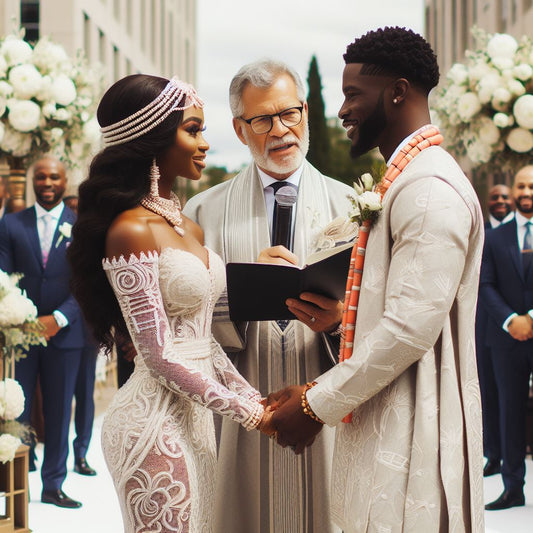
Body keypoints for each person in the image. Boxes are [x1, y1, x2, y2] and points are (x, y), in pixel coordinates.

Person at [266, 27, 485, 532]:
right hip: (386, 417)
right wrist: (340, 319)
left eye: (352, 95)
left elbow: (410, 329)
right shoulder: (406, 179)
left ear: (398, 91)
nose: (342, 111)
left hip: (415, 433)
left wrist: (312, 403)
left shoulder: (429, 188)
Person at [67, 74, 275, 532]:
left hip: (197, 423)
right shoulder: (131, 230)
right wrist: (253, 414)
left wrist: (253, 397)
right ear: (153, 139)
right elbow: (159, 356)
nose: (204, 143)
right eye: (193, 129)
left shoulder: (190, 228)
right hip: (151, 423)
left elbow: (202, 342)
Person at [183, 58, 354, 533]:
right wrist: (237, 296)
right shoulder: (204, 211)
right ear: (240, 129)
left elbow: (383, 321)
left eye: (290, 114)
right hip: (239, 409)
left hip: (324, 403)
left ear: (306, 112)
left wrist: (340, 321)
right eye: (262, 119)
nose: (281, 131)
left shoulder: (354, 209)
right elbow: (184, 323)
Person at [0, 155, 86, 508]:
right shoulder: (11, 224)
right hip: (20, 335)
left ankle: (53, 485)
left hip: (65, 335)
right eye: (41, 177)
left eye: (54, 177)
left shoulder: (81, 226)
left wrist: (59, 319)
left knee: (58, 410)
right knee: (13, 410)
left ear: (65, 182)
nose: (47, 183)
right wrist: (20, 317)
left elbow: (86, 282)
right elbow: (3, 277)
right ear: (33, 181)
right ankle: (12, 484)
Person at [480, 165, 533, 510]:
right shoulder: (494, 237)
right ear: (513, 190)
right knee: (509, 411)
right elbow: (485, 284)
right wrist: (512, 320)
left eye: (532, 185)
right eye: (521, 185)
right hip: (505, 337)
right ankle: (513, 487)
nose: (526, 191)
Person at [476, 184, 514, 478]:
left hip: (515, 324)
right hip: (485, 325)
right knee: (488, 391)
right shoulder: (482, 230)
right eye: (495, 197)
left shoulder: (519, 232)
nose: (500, 201)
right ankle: (493, 454)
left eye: (504, 197)